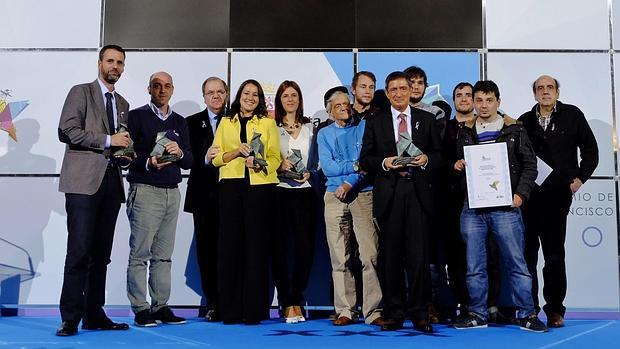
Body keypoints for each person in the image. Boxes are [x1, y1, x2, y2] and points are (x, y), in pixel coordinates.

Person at [452, 80, 547, 332]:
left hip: (506, 207)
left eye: (489, 100)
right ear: (473, 102)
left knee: (517, 263)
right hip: (472, 208)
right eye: (479, 100)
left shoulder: (515, 128)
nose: (484, 105)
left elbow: (530, 165)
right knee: (474, 266)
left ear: (498, 102)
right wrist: (458, 166)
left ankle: (527, 314)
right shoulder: (464, 130)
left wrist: (520, 194)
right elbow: (459, 165)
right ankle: (477, 314)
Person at [56, 44, 131, 336]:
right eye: (111, 61)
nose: (115, 66)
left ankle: (94, 313)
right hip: (83, 184)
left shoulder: (122, 101)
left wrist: (126, 153)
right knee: (79, 251)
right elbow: (67, 131)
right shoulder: (81, 92)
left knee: (102, 254)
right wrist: (109, 141)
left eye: (120, 63)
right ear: (99, 63)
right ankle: (70, 317)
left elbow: (120, 143)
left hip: (112, 182)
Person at [359, 71, 440, 333]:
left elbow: (440, 156)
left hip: (417, 194)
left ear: (410, 90)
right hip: (389, 194)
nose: (398, 93)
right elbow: (366, 158)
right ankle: (393, 313)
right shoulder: (376, 121)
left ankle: (419, 312)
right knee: (390, 257)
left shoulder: (427, 120)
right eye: (392, 89)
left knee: (419, 258)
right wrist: (384, 163)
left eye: (402, 88)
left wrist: (426, 159)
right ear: (387, 92)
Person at [520, 75, 599, 328]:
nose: (545, 92)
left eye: (549, 88)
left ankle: (555, 310)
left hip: (557, 198)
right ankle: (529, 309)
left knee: (554, 256)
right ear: (534, 94)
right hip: (530, 199)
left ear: (557, 92)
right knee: (528, 257)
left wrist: (579, 179)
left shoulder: (572, 115)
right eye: (540, 88)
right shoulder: (524, 120)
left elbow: (591, 150)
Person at [126, 71, 193, 327]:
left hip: (171, 192)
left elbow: (190, 160)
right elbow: (126, 154)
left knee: (163, 255)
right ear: (149, 89)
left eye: (166, 86)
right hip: (145, 190)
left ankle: (160, 306)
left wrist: (179, 153)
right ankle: (140, 308)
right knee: (140, 253)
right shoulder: (136, 116)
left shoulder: (179, 121)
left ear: (173, 89)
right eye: (157, 86)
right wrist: (148, 162)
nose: (162, 90)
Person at [211, 79, 281, 325]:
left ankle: (254, 310)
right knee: (230, 249)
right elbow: (216, 158)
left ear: (260, 99)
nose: (250, 97)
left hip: (259, 188)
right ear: (239, 95)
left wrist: (260, 164)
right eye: (246, 93)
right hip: (230, 186)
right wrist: (235, 153)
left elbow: (275, 158)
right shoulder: (225, 122)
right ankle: (229, 311)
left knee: (256, 249)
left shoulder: (269, 123)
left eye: (255, 94)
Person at [317, 90, 385, 327]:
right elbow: (327, 167)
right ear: (329, 110)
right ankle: (345, 309)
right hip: (333, 196)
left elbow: (368, 162)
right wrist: (354, 165)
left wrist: (350, 181)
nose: (344, 108)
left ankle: (373, 311)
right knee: (339, 257)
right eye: (338, 105)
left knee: (369, 255)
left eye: (347, 104)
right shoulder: (324, 133)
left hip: (364, 193)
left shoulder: (365, 127)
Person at [272, 80, 318, 323]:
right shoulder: (271, 127)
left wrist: (312, 172)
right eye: (285, 96)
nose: (290, 99)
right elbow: (266, 158)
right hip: (279, 193)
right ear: (279, 100)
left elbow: (317, 161)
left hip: (306, 193)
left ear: (300, 99)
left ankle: (297, 299)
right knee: (280, 250)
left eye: (294, 95)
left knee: (304, 250)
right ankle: (286, 301)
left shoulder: (312, 127)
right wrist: (279, 165)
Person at [184, 76, 228, 322]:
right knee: (206, 251)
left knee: (230, 250)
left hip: (232, 195)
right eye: (211, 92)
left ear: (226, 93)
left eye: (220, 91)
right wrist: (205, 157)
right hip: (203, 196)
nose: (216, 96)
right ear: (204, 96)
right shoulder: (190, 122)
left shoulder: (235, 120)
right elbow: (186, 157)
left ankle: (229, 300)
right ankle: (212, 302)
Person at [403, 66, 446, 137]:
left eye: (420, 83)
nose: (416, 87)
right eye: (412, 82)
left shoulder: (435, 112)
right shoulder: (394, 112)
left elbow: (436, 141)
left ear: (425, 86)